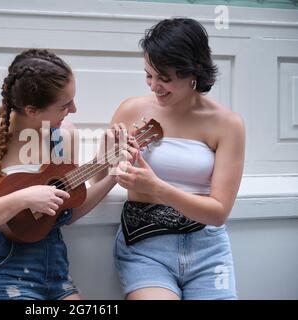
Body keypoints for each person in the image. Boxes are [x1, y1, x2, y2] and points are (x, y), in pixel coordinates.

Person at [0, 49, 123, 300]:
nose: (74, 109)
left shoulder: (64, 136)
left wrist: (113, 175)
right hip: (5, 272)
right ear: (32, 110)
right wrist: (24, 198)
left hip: (57, 271)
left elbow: (67, 214)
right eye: (65, 104)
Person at [91, 18, 245, 300]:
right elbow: (99, 179)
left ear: (193, 72)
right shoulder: (131, 109)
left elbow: (219, 212)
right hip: (145, 243)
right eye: (149, 75)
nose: (154, 86)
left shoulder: (227, 124)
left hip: (207, 248)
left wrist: (158, 188)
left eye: (165, 78)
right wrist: (104, 156)